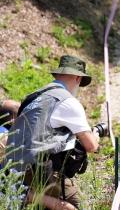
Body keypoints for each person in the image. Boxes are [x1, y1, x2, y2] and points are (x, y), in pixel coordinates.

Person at [5, 55, 108, 210]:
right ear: (78, 78)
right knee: (77, 205)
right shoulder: (68, 102)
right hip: (36, 168)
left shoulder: (34, 96)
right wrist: (95, 135)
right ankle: (31, 196)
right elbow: (91, 146)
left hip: (11, 168)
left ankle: (31, 196)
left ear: (58, 74)